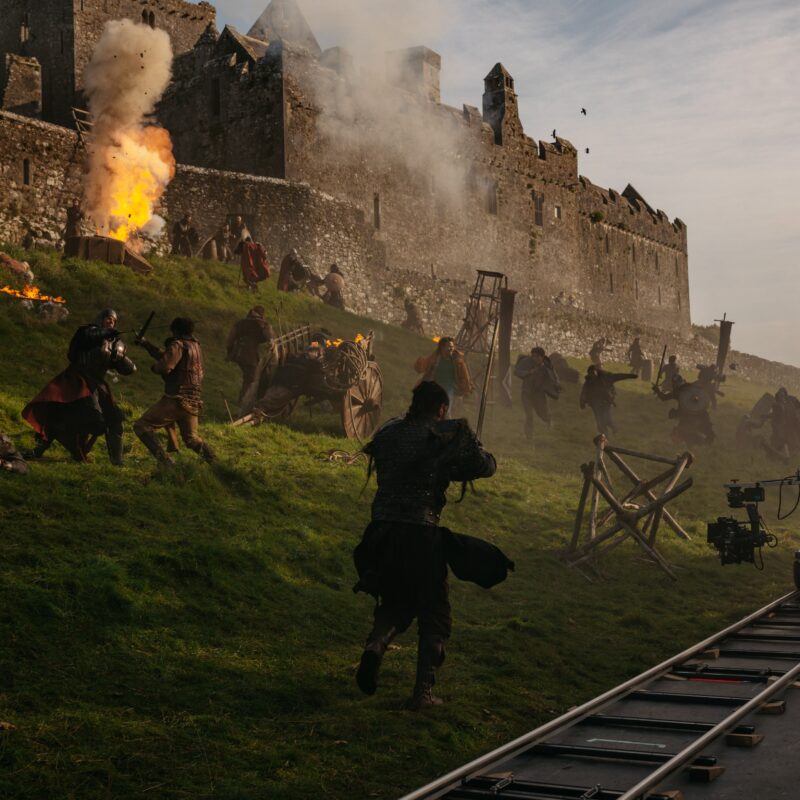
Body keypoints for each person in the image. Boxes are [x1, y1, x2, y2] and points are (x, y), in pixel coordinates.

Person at [353, 381, 510, 709]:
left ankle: (375, 646)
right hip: (420, 534)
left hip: (380, 531)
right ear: (441, 408)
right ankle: (422, 693)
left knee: (395, 599)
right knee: (434, 611)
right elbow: (485, 466)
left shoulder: (390, 431)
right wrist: (473, 444)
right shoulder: (443, 436)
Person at [22, 309, 136, 465]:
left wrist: (121, 357)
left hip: (97, 384)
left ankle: (117, 462)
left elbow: (129, 370)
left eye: (114, 321)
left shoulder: (116, 343)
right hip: (78, 379)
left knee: (115, 420)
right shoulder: (87, 332)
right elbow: (86, 339)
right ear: (101, 319)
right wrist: (106, 334)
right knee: (90, 418)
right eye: (108, 319)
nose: (111, 322)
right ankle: (45, 447)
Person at [133, 317, 215, 465]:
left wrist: (155, 367)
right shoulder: (195, 346)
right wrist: (145, 344)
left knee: (141, 425)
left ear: (176, 331)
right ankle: (215, 463)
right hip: (193, 401)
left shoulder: (178, 345)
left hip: (175, 400)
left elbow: (165, 366)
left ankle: (166, 463)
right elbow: (166, 355)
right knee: (192, 439)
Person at [226, 306, 275, 402]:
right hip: (249, 356)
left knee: (248, 377)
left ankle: (244, 399)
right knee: (251, 378)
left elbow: (230, 339)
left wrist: (230, 351)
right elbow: (270, 338)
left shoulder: (241, 323)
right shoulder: (262, 324)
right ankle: (244, 400)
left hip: (238, 353)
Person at [514, 347, 561, 441]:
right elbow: (517, 371)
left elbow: (554, 378)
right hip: (526, 393)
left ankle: (548, 419)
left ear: (542, 357)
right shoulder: (526, 362)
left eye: (536, 356)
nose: (534, 358)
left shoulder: (547, 366)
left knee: (542, 413)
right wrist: (528, 372)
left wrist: (556, 386)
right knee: (529, 415)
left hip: (539, 394)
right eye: (533, 356)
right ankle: (529, 436)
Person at [653, 375, 715, 445]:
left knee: (706, 432)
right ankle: (694, 441)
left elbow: (664, 397)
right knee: (685, 432)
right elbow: (664, 397)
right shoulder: (685, 389)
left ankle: (701, 442)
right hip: (690, 415)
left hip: (694, 414)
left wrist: (657, 390)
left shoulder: (682, 390)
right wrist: (657, 390)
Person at [414, 338, 473, 411]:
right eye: (449, 347)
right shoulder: (435, 358)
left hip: (448, 389)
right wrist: (419, 363)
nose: (451, 349)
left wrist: (466, 387)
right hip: (434, 387)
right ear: (442, 347)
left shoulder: (457, 361)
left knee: (445, 410)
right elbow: (424, 365)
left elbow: (464, 376)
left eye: (452, 347)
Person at [580, 365, 636, 436]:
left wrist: (631, 376)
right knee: (599, 419)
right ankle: (604, 435)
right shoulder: (588, 381)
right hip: (595, 402)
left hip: (606, 401)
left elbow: (619, 376)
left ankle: (613, 428)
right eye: (590, 373)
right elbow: (584, 391)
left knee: (606, 418)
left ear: (596, 371)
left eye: (593, 373)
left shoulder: (606, 377)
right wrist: (582, 402)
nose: (592, 375)